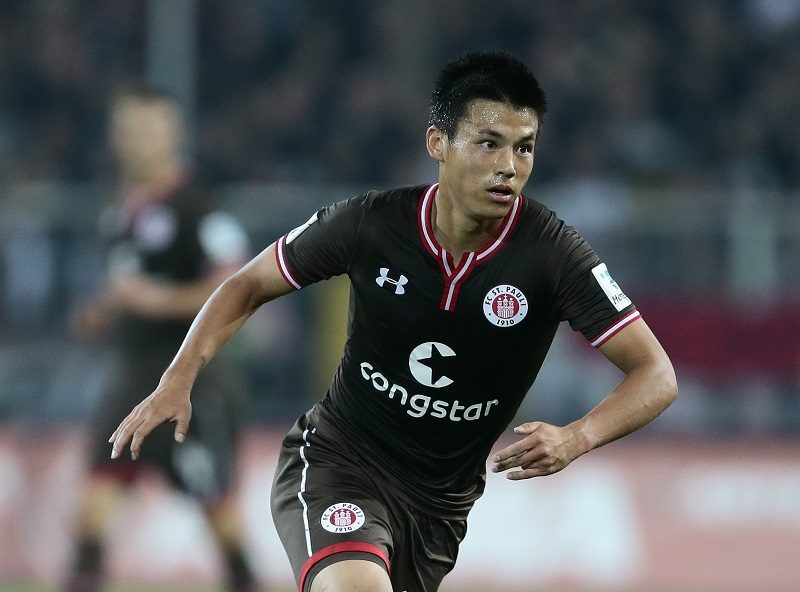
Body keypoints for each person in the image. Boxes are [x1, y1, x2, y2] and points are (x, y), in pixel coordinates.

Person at [109, 52, 678, 592]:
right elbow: (246, 284)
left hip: (438, 509)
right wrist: (179, 376)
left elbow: (656, 375)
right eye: (488, 143)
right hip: (338, 463)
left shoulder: (553, 256)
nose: (508, 167)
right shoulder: (371, 225)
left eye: (524, 148)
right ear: (438, 144)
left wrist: (578, 437)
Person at [65, 88, 259, 592]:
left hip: (193, 381)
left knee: (220, 518)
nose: (139, 140)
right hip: (132, 377)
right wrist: (103, 312)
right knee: (91, 513)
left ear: (174, 135)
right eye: (130, 129)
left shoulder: (198, 208)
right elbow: (127, 287)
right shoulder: (122, 210)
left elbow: (235, 284)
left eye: (150, 128)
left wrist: (155, 300)